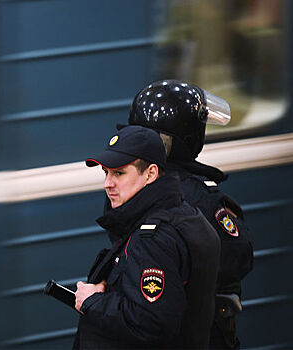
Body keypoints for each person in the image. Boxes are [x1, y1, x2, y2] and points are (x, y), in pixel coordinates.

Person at [128, 80, 254, 349]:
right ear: (189, 137)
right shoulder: (201, 198)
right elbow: (238, 257)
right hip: (201, 332)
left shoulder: (129, 187)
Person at [73, 125, 220, 349]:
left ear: (150, 173)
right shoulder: (185, 214)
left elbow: (149, 323)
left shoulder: (153, 238)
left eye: (119, 173)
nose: (107, 184)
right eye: (106, 173)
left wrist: (92, 302)